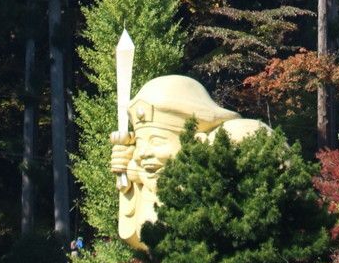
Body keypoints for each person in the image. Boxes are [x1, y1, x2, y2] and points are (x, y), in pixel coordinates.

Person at [110, 75, 269, 248]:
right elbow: (139, 240)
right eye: (140, 143)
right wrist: (126, 182)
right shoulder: (150, 187)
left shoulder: (220, 185)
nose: (143, 153)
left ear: (197, 142)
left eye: (156, 141)